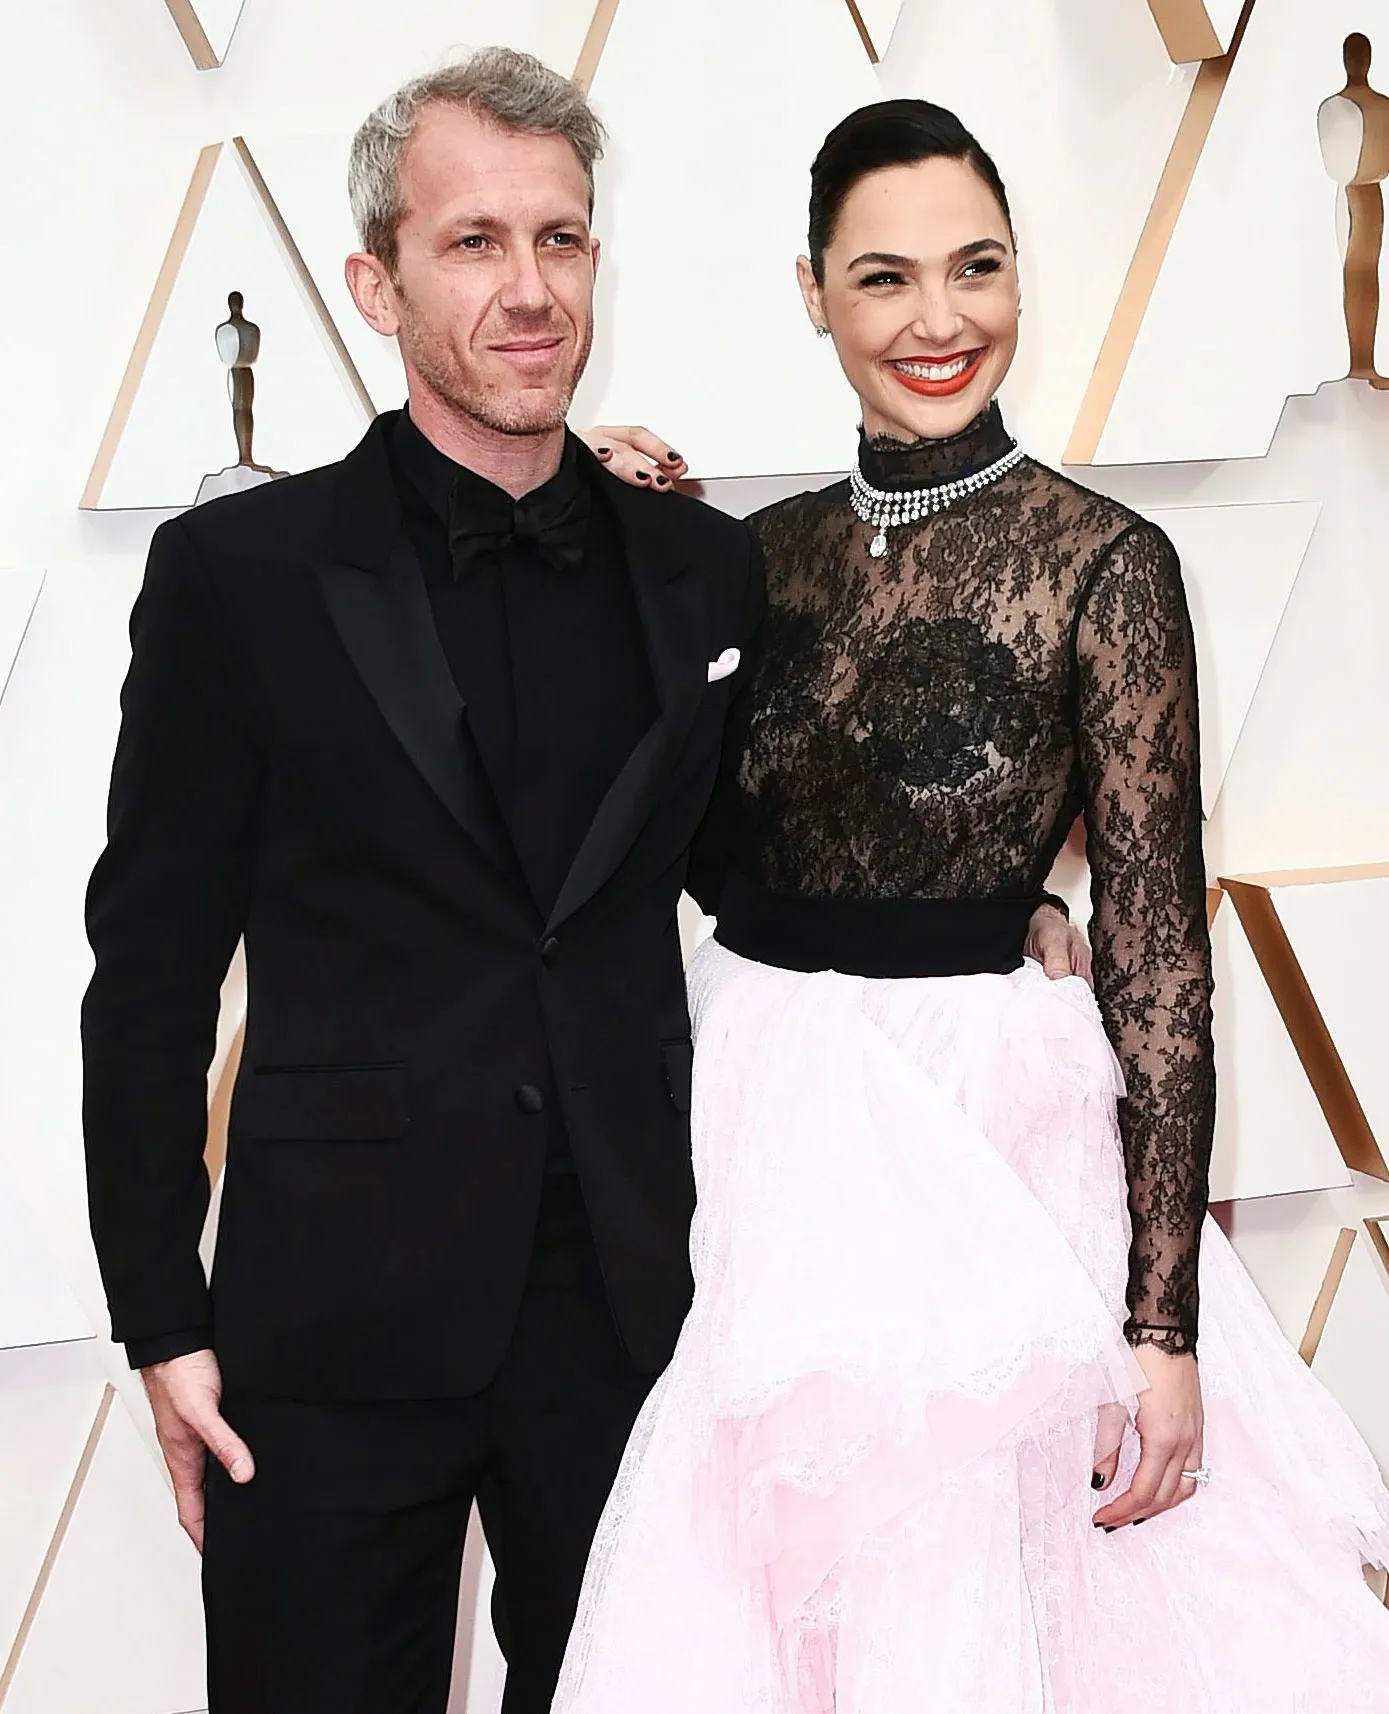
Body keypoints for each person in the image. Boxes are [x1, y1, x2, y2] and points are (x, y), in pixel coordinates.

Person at [79, 55, 1075, 1714]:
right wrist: (160, 1319)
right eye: (474, 243)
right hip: (326, 1325)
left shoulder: (700, 564)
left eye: (560, 238)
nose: (530, 288)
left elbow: (750, 861)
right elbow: (149, 972)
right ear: (378, 284)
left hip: (629, 1314)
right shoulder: (238, 576)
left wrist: (993, 907)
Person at [559, 101, 1389, 1711]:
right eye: (885, 277)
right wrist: (610, 545)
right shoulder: (749, 558)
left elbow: (1157, 955)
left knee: (981, 1596)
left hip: (995, 1153)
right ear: (814, 292)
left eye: (977, 267)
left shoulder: (1106, 564)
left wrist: (1163, 1328)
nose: (939, 319)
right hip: (778, 1135)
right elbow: (699, 858)